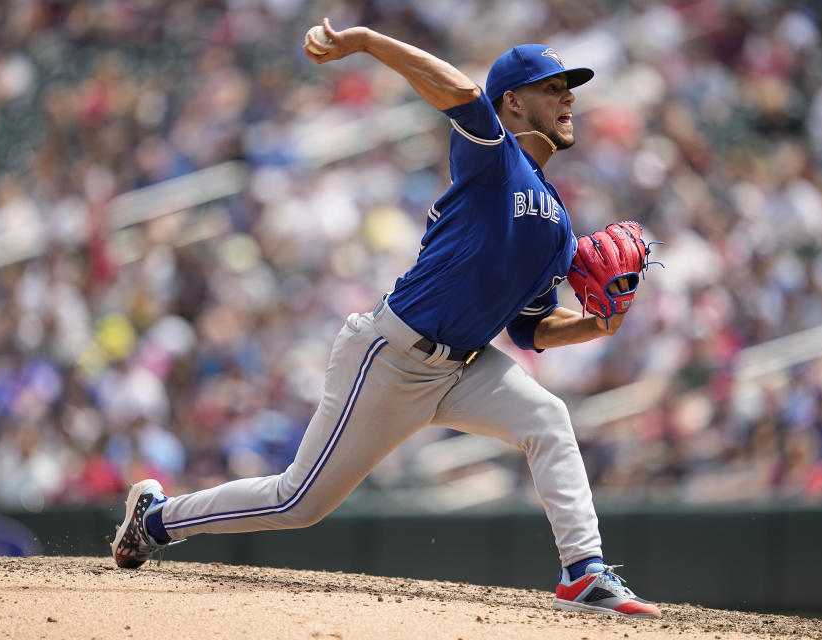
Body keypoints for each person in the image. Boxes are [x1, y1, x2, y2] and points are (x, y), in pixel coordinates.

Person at [110, 19, 661, 619]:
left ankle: (583, 572)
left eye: (569, 88)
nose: (568, 98)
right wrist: (368, 41)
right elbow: (461, 94)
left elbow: (529, 330)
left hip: (466, 367)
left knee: (548, 418)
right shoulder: (493, 160)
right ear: (513, 100)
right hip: (391, 356)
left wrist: (596, 326)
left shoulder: (558, 225)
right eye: (553, 87)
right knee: (298, 502)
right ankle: (158, 519)